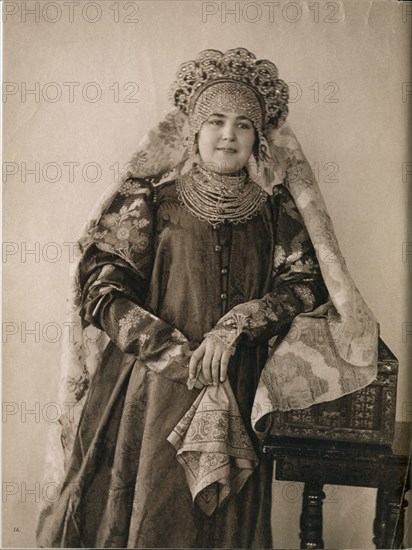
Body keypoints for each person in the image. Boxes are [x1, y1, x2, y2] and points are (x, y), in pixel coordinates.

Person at [36, 48, 378, 549]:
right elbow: (102, 287)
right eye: (215, 121)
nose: (228, 135)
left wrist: (239, 323)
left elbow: (306, 284)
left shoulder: (274, 210)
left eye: (243, 125)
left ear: (258, 138)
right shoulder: (153, 200)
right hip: (152, 390)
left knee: (226, 526)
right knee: (153, 515)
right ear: (193, 131)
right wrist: (175, 354)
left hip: (238, 384)